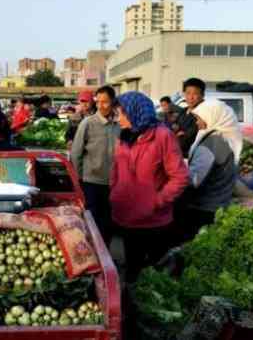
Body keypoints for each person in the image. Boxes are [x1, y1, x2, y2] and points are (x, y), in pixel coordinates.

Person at [110, 91, 189, 282]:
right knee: (131, 269)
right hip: (126, 215)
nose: (117, 118)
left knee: (152, 273)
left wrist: (157, 201)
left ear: (135, 112)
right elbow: (116, 169)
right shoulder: (124, 136)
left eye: (121, 113)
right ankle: (130, 302)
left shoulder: (163, 136)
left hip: (153, 219)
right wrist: (114, 192)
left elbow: (180, 177)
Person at [176, 99, 242, 243]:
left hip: (205, 208)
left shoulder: (212, 143)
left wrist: (174, 169)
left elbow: (194, 180)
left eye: (200, 119)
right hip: (219, 203)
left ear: (212, 118)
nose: (197, 123)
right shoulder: (222, 138)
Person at [71, 86, 120, 244]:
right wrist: (80, 179)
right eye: (98, 102)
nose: (100, 105)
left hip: (113, 183)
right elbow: (76, 153)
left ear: (113, 102)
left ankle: (106, 256)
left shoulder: (119, 124)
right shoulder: (88, 123)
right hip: (92, 182)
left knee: (110, 222)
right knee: (93, 222)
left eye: (105, 102)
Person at [176, 78, 206, 157]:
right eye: (188, 93)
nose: (191, 97)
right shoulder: (182, 111)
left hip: (193, 156)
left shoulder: (204, 114)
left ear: (202, 95)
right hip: (178, 155)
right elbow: (174, 128)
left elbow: (187, 139)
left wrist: (179, 136)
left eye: (195, 93)